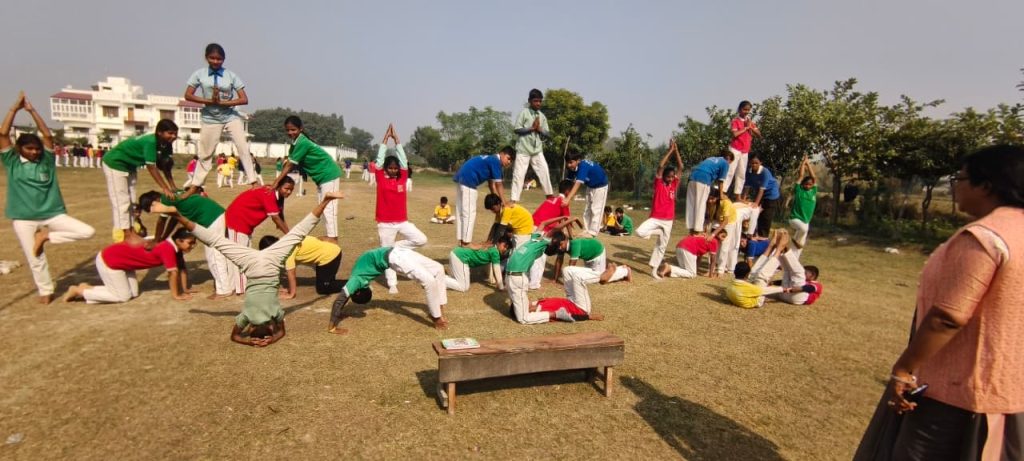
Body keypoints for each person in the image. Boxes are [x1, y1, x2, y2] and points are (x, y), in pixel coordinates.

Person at [855, 145, 1024, 460]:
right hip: (1009, 394)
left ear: (986, 185)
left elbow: (947, 317)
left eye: (960, 177)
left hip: (955, 394)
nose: (955, 185)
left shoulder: (984, 238)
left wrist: (904, 368)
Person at [161, 191, 344, 347]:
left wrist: (271, 339)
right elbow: (235, 336)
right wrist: (249, 341)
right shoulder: (246, 316)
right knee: (216, 241)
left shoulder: (275, 314)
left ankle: (326, 200)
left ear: (269, 326)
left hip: (269, 262)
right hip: (255, 263)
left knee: (298, 232)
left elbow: (281, 332)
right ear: (251, 328)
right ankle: (178, 216)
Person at [1, 92, 95, 304]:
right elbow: (3, 133)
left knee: (87, 231)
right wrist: (14, 109)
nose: (34, 152)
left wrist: (32, 110)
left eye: (36, 148)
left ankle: (46, 237)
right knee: (35, 257)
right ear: (20, 149)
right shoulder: (12, 162)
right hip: (23, 217)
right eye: (29, 148)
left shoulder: (46, 162)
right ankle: (45, 290)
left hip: (52, 214)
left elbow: (48, 137)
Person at [183, 43, 256, 192]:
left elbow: (244, 99)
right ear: (206, 58)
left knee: (242, 147)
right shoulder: (200, 74)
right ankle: (195, 185)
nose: (216, 61)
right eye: (212, 58)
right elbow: (188, 95)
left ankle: (253, 181)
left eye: (219, 59)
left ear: (224, 59)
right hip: (210, 118)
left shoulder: (230, 75)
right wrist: (209, 101)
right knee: (205, 153)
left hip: (230, 116)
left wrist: (224, 103)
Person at [328, 246, 450, 334]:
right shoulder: (360, 281)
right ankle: (439, 313)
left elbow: (341, 299)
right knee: (438, 269)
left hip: (396, 257)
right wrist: (339, 313)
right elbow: (346, 297)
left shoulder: (357, 280)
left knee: (431, 279)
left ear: (358, 291)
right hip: (399, 251)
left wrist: (332, 326)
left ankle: (436, 317)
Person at [138, 190, 232, 300]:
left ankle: (224, 290)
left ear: (155, 202)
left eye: (152, 209)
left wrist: (156, 241)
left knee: (214, 256)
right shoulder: (172, 195)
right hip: (216, 214)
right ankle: (228, 285)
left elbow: (161, 221)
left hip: (211, 218)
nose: (155, 211)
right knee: (219, 253)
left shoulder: (165, 200)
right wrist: (163, 238)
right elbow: (174, 219)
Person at [63, 229, 197, 304]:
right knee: (123, 297)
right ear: (179, 240)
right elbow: (172, 273)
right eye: (190, 243)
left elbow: (181, 268)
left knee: (133, 293)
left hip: (126, 264)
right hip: (110, 260)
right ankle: (79, 291)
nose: (192, 246)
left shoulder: (175, 248)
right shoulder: (167, 248)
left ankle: (87, 288)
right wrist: (176, 295)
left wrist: (185, 289)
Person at [102, 119, 179, 242]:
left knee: (131, 201)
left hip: (130, 166)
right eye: (170, 133)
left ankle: (131, 231)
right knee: (121, 201)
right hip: (115, 163)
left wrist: (172, 187)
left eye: (175, 133)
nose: (174, 136)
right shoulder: (150, 142)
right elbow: (151, 167)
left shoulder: (166, 144)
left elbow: (166, 166)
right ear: (159, 132)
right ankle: (126, 234)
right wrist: (165, 188)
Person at [373, 124, 428, 294]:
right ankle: (392, 283)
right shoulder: (380, 178)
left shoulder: (402, 178)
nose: (393, 170)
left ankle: (393, 246)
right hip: (385, 224)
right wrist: (384, 140)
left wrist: (397, 141)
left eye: (395, 168)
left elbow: (404, 162)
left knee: (421, 239)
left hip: (402, 222)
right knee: (387, 256)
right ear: (386, 169)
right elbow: (379, 161)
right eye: (390, 168)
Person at [271, 115, 343, 242]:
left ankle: (333, 237)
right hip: (322, 177)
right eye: (288, 130)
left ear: (301, 129)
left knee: (329, 207)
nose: (290, 132)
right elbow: (290, 162)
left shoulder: (302, 142)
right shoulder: (295, 143)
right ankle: (330, 235)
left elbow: (289, 165)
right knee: (322, 207)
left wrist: (276, 181)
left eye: (293, 129)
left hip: (328, 174)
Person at [222, 179, 294, 294]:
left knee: (247, 257)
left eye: (291, 190)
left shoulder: (278, 196)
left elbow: (280, 214)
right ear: (278, 186)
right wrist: (290, 235)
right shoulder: (269, 194)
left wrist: (286, 230)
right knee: (240, 257)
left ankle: (243, 284)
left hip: (247, 225)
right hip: (237, 221)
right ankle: (240, 288)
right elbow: (275, 217)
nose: (289, 192)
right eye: (286, 188)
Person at [635, 139, 684, 278]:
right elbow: (661, 166)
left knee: (661, 246)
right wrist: (669, 151)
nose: (670, 178)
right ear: (663, 176)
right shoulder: (658, 183)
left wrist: (676, 151)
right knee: (639, 232)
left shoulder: (674, 184)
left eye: (672, 176)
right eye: (668, 177)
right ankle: (657, 232)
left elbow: (681, 167)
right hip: (656, 217)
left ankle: (654, 270)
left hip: (668, 220)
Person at [452, 147, 514, 246]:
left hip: (461, 178)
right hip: (469, 180)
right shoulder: (496, 162)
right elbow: (499, 184)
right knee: (469, 213)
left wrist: (495, 199)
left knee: (461, 212)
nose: (509, 162)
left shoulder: (491, 159)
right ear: (501, 154)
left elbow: (491, 184)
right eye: (508, 158)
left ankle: (461, 240)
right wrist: (504, 202)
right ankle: (466, 242)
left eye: (511, 161)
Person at [261, 234, 343, 298]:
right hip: (327, 255)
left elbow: (291, 273)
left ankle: (353, 285)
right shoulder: (286, 240)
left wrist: (291, 294)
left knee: (324, 288)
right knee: (326, 281)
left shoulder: (287, 250)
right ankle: (330, 281)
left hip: (330, 256)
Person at [725, 230, 790, 308]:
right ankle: (778, 249)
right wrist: (784, 289)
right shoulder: (748, 287)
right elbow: (764, 291)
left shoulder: (731, 284)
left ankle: (771, 246)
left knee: (753, 272)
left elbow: (747, 283)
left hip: (747, 289)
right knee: (762, 276)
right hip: (756, 300)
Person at [511, 88, 552, 203]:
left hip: (537, 150)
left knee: (544, 172)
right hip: (523, 150)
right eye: (535, 101)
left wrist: (539, 129)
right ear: (529, 101)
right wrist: (531, 128)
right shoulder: (524, 113)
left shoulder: (542, 116)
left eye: (540, 101)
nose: (538, 103)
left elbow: (547, 134)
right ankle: (514, 200)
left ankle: (550, 197)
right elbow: (517, 130)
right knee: (518, 176)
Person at [686, 149, 733, 234]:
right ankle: (698, 231)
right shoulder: (725, 163)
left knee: (691, 204)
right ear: (729, 159)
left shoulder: (711, 158)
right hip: (703, 179)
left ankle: (691, 229)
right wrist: (721, 195)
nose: (729, 165)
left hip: (692, 178)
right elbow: (721, 181)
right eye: (731, 163)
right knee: (700, 205)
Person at [445, 235, 512, 292]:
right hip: (460, 257)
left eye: (507, 248)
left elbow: (489, 266)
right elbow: (496, 269)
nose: (505, 249)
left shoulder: (492, 248)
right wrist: (501, 287)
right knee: (464, 287)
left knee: (455, 280)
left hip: (456, 253)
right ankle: (440, 278)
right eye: (504, 245)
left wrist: (492, 280)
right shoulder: (495, 252)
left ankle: (440, 279)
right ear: (498, 243)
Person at [563, 152, 610, 234]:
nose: (568, 165)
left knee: (596, 209)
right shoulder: (572, 169)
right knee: (587, 210)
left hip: (600, 186)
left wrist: (568, 198)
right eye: (567, 162)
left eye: (571, 162)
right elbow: (567, 183)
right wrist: (562, 195)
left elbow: (578, 183)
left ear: (578, 161)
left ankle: (593, 232)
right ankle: (587, 230)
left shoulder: (583, 166)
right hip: (590, 186)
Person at [723, 100, 761, 196]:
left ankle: (738, 195)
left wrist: (750, 127)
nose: (746, 112)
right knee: (730, 171)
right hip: (735, 149)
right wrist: (746, 128)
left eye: (748, 110)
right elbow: (735, 134)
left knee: (741, 173)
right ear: (740, 109)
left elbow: (759, 135)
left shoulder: (750, 122)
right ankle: (722, 192)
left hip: (745, 151)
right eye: (745, 109)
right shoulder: (735, 121)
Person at [659, 232, 726, 279]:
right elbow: (713, 260)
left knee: (685, 270)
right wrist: (711, 275)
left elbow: (699, 257)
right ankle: (669, 267)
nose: (724, 239)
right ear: (717, 235)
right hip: (688, 249)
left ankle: (667, 269)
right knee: (692, 274)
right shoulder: (714, 241)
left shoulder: (704, 237)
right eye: (723, 236)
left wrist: (696, 269)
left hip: (679, 246)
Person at [787, 155, 818, 257]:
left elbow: (813, 177)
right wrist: (803, 163)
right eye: (806, 184)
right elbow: (800, 176)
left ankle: (793, 259)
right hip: (795, 218)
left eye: (810, 184)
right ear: (802, 185)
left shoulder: (813, 191)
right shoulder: (799, 190)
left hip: (806, 221)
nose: (808, 186)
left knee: (801, 244)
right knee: (803, 231)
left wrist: (808, 164)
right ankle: (794, 239)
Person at [744, 155, 781, 237]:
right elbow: (747, 187)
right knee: (756, 214)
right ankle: (753, 233)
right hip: (760, 193)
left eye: (756, 163)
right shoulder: (749, 172)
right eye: (752, 163)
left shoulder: (765, 172)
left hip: (771, 195)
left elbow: (762, 189)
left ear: (760, 163)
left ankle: (763, 237)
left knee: (766, 216)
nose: (754, 165)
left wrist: (756, 203)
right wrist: (743, 199)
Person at [706, 191, 739, 275]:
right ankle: (710, 269)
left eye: (712, 199)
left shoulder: (725, 203)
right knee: (712, 243)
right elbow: (709, 218)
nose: (710, 201)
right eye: (709, 198)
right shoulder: (709, 203)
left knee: (724, 245)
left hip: (729, 222)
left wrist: (713, 234)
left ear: (717, 198)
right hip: (717, 220)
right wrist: (708, 232)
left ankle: (720, 270)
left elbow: (725, 221)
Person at [529, 297, 604, 322]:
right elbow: (567, 316)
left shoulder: (538, 302)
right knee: (570, 272)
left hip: (570, 300)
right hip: (579, 307)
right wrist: (589, 317)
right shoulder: (543, 312)